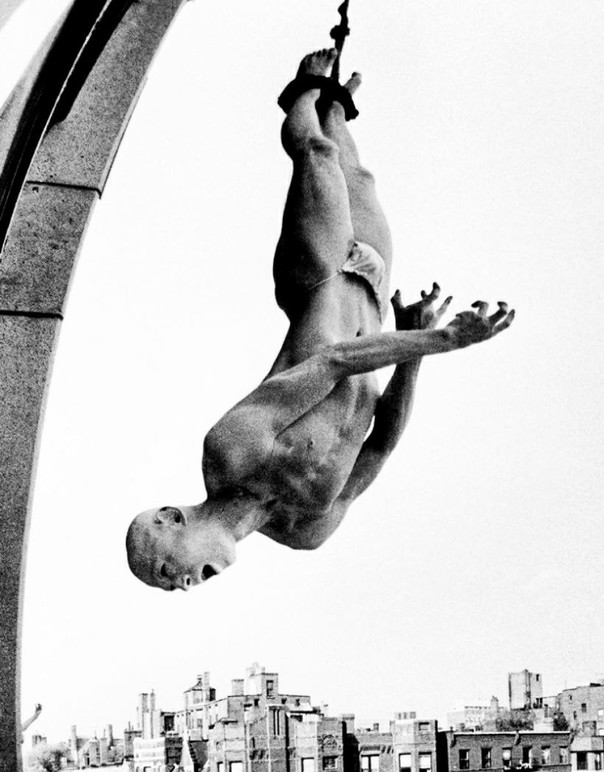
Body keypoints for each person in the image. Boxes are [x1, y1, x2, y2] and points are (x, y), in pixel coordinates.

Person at [126, 49, 513, 591]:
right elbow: (378, 444)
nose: (185, 583)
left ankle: (305, 88)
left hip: (320, 274)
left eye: (167, 568)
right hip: (372, 300)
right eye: (173, 586)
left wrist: (444, 338)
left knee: (318, 153)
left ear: (171, 518)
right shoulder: (307, 530)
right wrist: (414, 344)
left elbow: (330, 362)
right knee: (362, 175)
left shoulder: (228, 450)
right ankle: (339, 102)